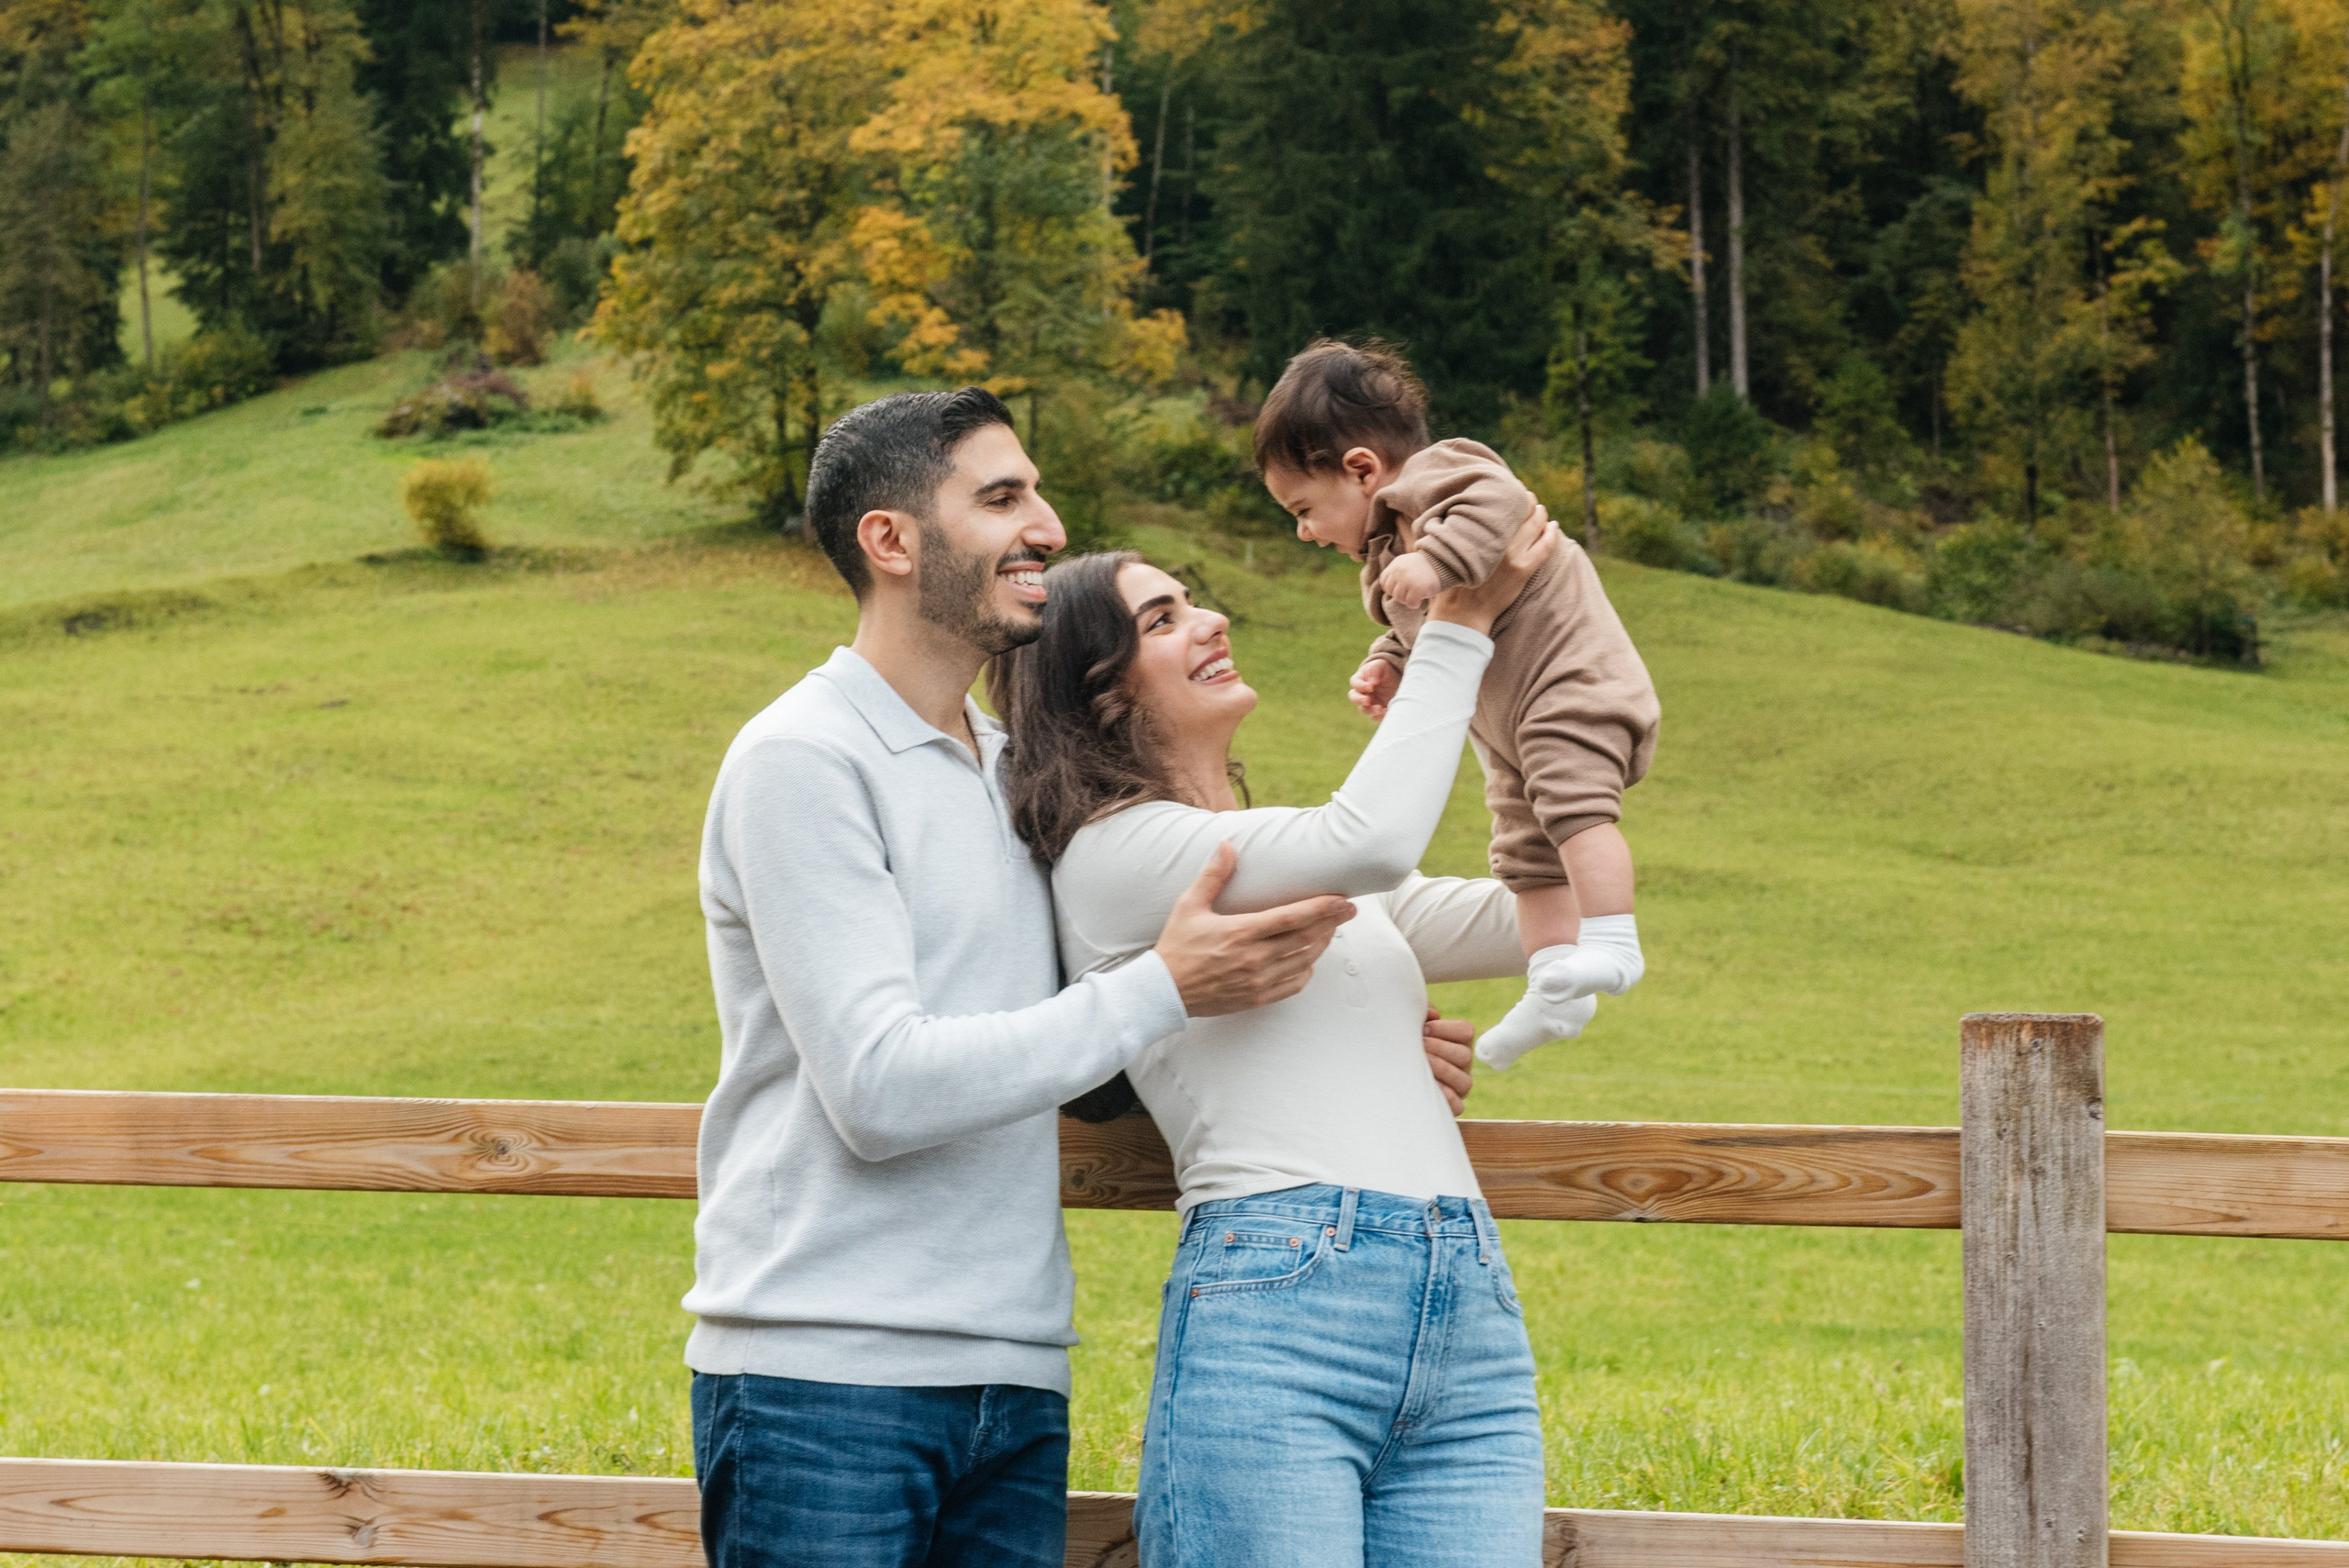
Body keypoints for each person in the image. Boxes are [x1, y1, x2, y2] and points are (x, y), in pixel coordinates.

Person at [686, 385, 1472, 1568]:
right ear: (890, 540)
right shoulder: (804, 758)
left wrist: (1354, 1042)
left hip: (1015, 1375)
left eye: (1037, 494)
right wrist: (1167, 985)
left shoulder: (1015, 779)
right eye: (1002, 498)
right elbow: (881, 1086)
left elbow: (1079, 1058)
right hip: (823, 1373)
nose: (1046, 528)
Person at [991, 511, 1557, 1568]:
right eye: (1163, 618)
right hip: (1282, 1299)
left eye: (1191, 600)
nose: (1210, 619)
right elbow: (1373, 837)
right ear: (1102, 690)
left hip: (1466, 1301)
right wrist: (1455, 629)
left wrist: (1506, 695)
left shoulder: (1296, 859)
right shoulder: (1115, 855)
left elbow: (1551, 911)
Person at [1257, 339, 1663, 1069]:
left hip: (1571, 687)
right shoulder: (1389, 554)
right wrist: (1387, 661)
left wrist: (1436, 561)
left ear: (1362, 469)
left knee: (1573, 810)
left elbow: (1501, 503)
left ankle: (1613, 941)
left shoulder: (1442, 473)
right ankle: (1555, 986)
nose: (1304, 532)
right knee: (1523, 853)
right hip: (1508, 726)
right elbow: (1413, 625)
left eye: (1305, 509)